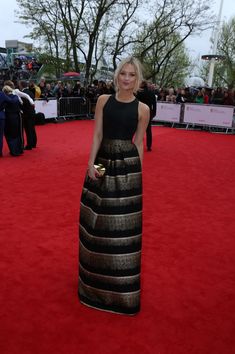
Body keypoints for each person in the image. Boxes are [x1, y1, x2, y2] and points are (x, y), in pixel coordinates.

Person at [78, 57, 149, 315]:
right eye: (123, 74)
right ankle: (93, 284)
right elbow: (97, 134)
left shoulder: (142, 109)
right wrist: (90, 164)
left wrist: (137, 175)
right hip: (103, 161)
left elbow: (139, 143)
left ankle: (121, 292)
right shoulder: (103, 101)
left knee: (122, 225)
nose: (127, 79)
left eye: (132, 75)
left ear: (137, 79)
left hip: (127, 166)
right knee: (95, 218)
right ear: (117, 76)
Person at [2, 85, 24, 156]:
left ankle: (13, 151)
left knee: (9, 135)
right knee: (17, 133)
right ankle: (19, 150)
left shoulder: (5, 99)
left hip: (8, 117)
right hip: (16, 117)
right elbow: (21, 103)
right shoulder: (16, 97)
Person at [136, 80, 156, 151]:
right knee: (148, 130)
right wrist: (153, 113)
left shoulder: (139, 93)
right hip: (149, 113)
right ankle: (149, 146)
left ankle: (137, 143)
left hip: (139, 112)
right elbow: (154, 105)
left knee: (138, 129)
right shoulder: (152, 93)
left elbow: (136, 103)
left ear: (141, 85)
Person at [19, 80, 37, 150]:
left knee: (28, 130)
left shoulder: (23, 93)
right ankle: (34, 143)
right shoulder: (31, 92)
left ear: (21, 85)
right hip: (32, 112)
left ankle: (29, 145)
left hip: (26, 114)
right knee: (32, 129)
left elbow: (23, 104)